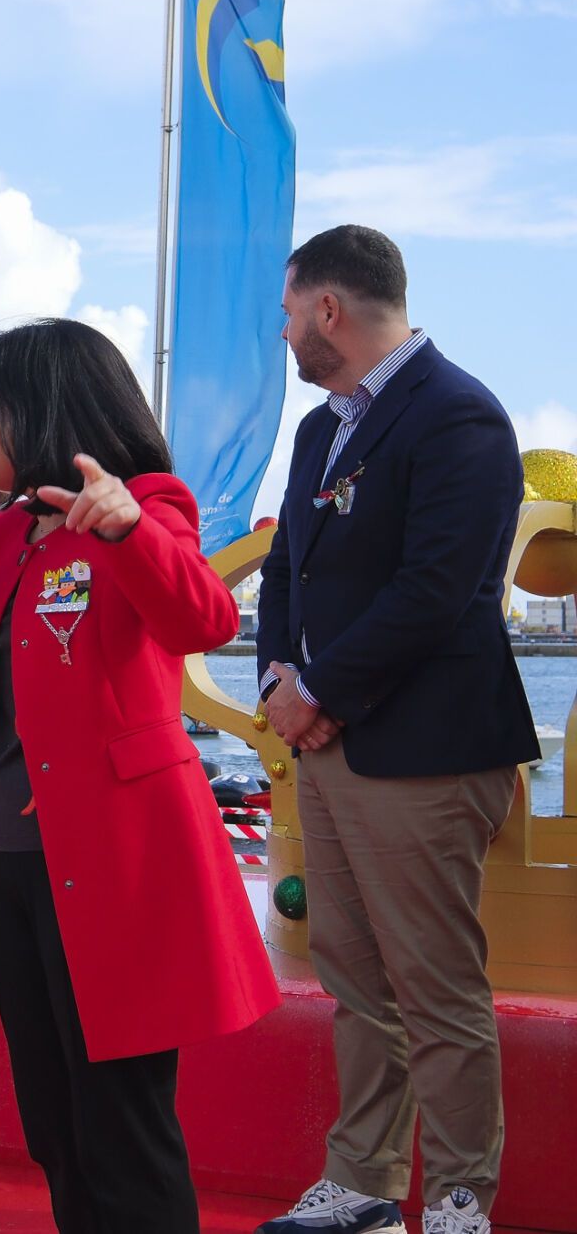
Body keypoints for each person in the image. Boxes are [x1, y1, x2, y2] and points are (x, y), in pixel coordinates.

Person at [0, 317, 279, 1233]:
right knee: (55, 1123)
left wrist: (132, 531)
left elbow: (207, 620)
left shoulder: (146, 504)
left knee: (121, 1127)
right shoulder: (8, 535)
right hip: (17, 871)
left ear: (40, 405)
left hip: (117, 869)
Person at [254, 227, 537, 1234]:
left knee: (434, 985)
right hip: (329, 747)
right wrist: (280, 676)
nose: (281, 331)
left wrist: (318, 689)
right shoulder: (314, 431)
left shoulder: (457, 415)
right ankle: (365, 1184)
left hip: (422, 749)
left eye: (288, 311)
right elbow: (286, 564)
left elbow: (437, 590)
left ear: (328, 309)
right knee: (355, 979)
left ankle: (460, 1202)